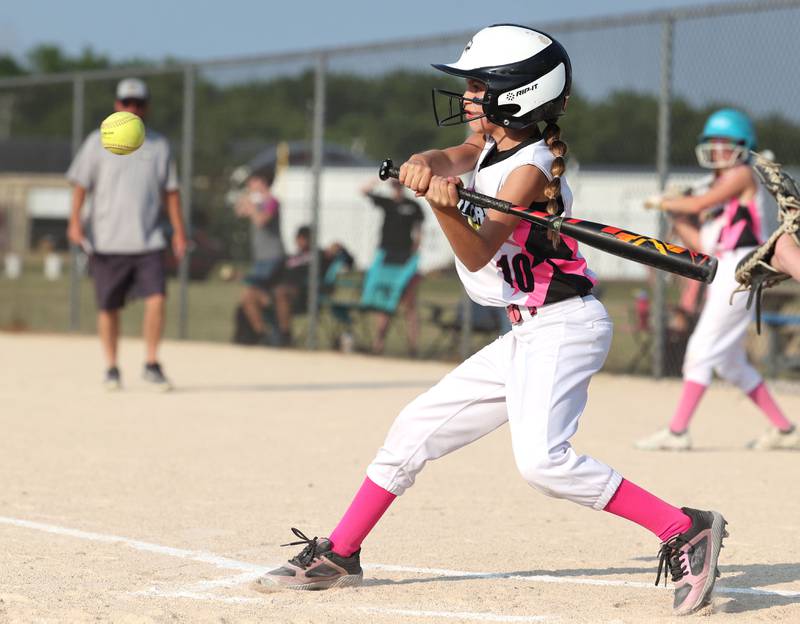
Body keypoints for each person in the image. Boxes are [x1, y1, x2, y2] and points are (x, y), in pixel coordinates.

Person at [256, 25, 728, 616]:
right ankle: (342, 552)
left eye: (479, 87)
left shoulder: (530, 169)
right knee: (413, 429)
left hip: (565, 325)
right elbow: (443, 157)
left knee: (543, 463)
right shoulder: (486, 149)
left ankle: (685, 528)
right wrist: (422, 167)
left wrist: (442, 206)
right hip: (527, 330)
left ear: (521, 95)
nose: (469, 98)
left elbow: (478, 251)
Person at [636, 109, 798, 452]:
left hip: (741, 271)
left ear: (743, 147)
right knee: (729, 362)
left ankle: (677, 431)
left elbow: (702, 202)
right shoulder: (719, 201)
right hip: (723, 271)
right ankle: (784, 430)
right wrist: (676, 214)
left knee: (699, 352)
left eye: (727, 143)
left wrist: (672, 200)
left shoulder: (740, 175)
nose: (720, 150)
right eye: (714, 143)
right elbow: (702, 245)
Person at [66, 78, 186, 391]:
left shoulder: (159, 145)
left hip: (148, 240)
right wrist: (75, 221)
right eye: (126, 103)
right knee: (108, 307)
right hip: (107, 239)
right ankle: (111, 367)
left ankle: (151, 362)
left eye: (139, 103)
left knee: (157, 298)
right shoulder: (96, 142)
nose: (133, 108)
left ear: (146, 106)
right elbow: (81, 185)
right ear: (117, 105)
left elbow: (171, 192)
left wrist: (179, 233)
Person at [234, 225, 353, 346]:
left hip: (304, 295)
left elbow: (349, 261)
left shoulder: (321, 255)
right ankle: (263, 335)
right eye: (300, 238)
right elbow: (269, 279)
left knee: (281, 292)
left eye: (306, 238)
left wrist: (340, 248)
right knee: (249, 294)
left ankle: (285, 337)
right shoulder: (288, 259)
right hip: (275, 294)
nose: (302, 241)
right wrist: (245, 277)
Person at [361, 177, 424, 355]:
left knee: (410, 303)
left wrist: (415, 251)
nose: (396, 188)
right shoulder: (387, 203)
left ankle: (413, 346)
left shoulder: (413, 206)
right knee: (383, 301)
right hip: (387, 256)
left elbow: (419, 231)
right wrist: (380, 180)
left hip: (405, 259)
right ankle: (378, 343)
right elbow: (363, 191)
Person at [236, 173, 285, 341]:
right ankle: (264, 333)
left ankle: (273, 332)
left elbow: (261, 221)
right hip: (260, 259)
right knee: (255, 296)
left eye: (253, 182)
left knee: (256, 295)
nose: (250, 185)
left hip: (272, 257)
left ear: (263, 182)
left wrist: (253, 208)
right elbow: (239, 211)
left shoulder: (272, 202)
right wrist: (247, 202)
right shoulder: (257, 202)